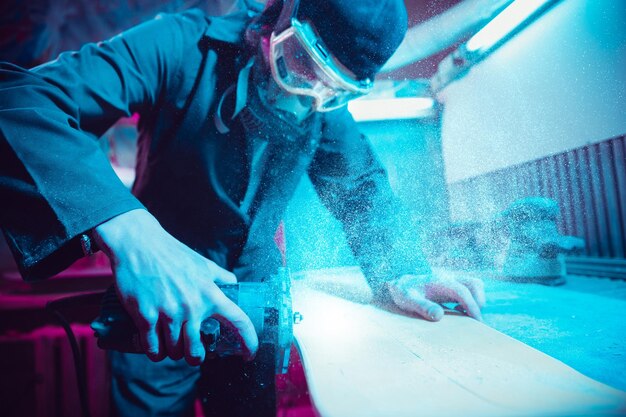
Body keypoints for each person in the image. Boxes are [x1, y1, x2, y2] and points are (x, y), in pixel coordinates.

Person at [0, 0, 485, 415]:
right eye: (300, 62)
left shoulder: (321, 104)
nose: (306, 93)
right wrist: (134, 237)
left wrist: (403, 269)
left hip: (254, 307)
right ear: (281, 16)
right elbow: (20, 100)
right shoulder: (180, 44)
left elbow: (361, 189)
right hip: (161, 300)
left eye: (331, 89)